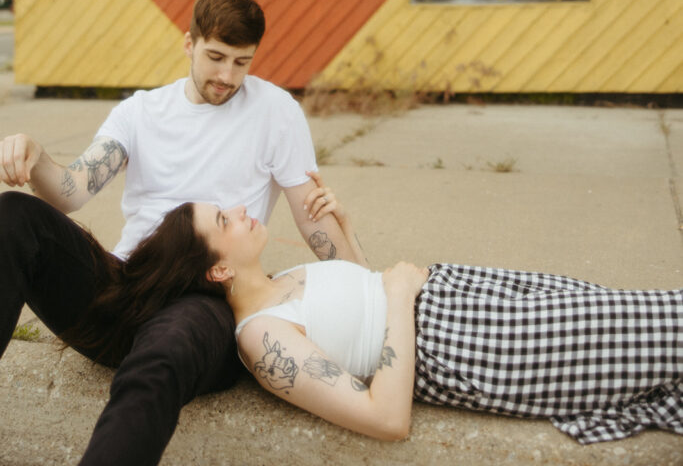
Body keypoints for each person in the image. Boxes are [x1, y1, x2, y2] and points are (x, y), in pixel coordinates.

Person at [0, 0, 365, 466]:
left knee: (162, 360)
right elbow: (71, 192)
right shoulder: (140, 113)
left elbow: (311, 218)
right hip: (123, 286)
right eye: (215, 56)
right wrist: (33, 152)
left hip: (207, 301)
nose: (227, 76)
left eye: (242, 62)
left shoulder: (277, 113)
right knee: (13, 214)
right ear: (188, 43)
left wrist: (363, 276)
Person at [66, 184, 683, 447]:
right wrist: (396, 296)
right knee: (669, 330)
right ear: (218, 271)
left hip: (476, 295)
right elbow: (385, 417)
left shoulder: (282, 281)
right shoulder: (262, 340)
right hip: (477, 344)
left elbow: (363, 299)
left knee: (655, 316)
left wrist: (351, 235)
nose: (238, 210)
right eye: (222, 221)